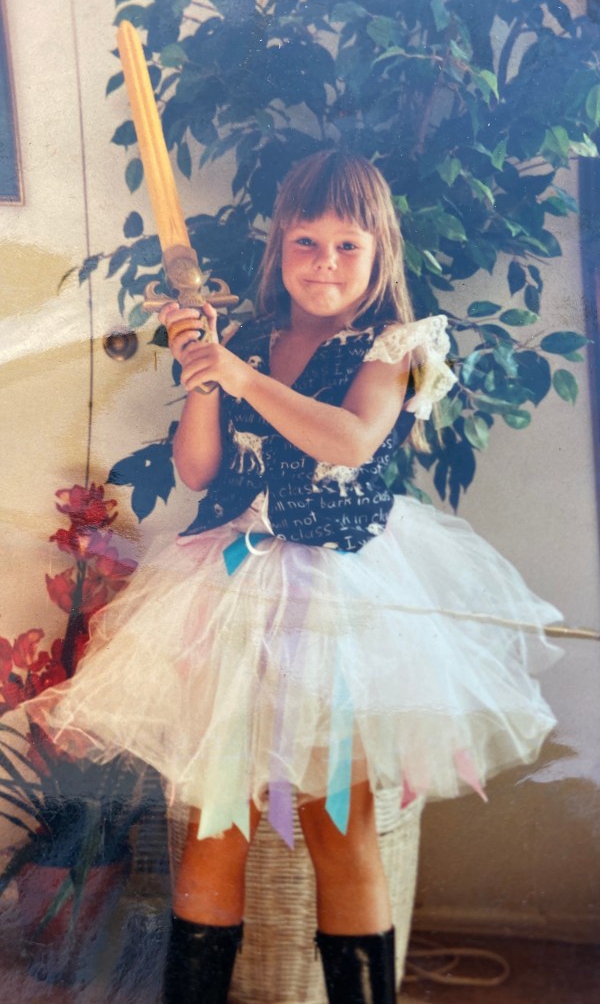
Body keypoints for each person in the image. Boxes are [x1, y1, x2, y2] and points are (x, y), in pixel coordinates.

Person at [34, 151, 562, 1004]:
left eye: (347, 245)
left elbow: (351, 439)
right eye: (304, 242)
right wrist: (205, 369)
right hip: (228, 596)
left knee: (341, 828)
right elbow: (200, 470)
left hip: (339, 604)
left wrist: (239, 375)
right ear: (278, 247)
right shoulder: (244, 338)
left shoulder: (398, 346)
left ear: (380, 249)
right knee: (215, 827)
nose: (323, 262)